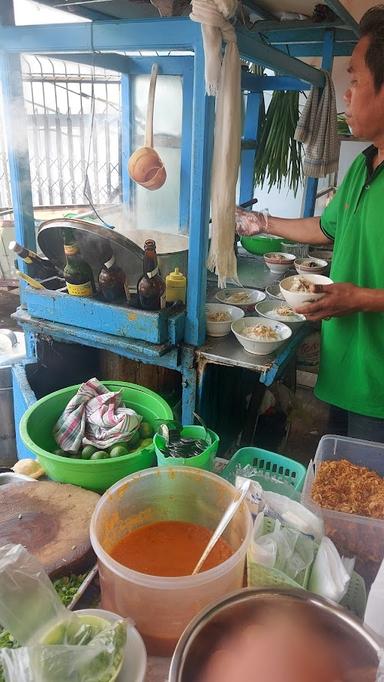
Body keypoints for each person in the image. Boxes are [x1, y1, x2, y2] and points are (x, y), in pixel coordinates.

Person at [235, 5, 384, 442]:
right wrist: (260, 221)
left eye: (354, 81)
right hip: (343, 373)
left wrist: (356, 296)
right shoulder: (364, 167)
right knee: (335, 489)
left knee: (366, 503)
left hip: (380, 389)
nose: (347, 94)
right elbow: (325, 229)